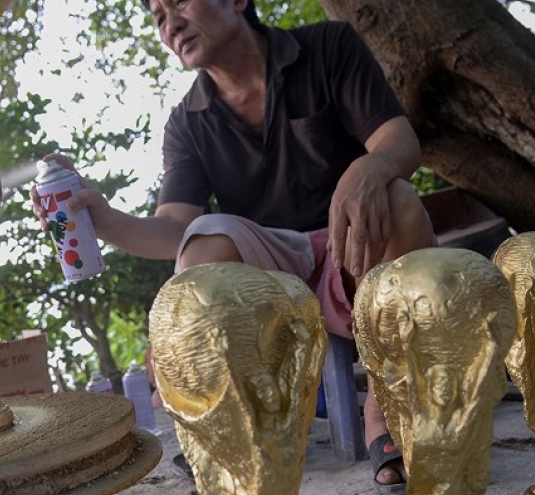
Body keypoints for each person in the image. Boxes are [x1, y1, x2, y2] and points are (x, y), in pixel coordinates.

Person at [31, 0, 434, 490]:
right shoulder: (187, 123)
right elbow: (175, 227)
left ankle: (386, 404)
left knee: (399, 199)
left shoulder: (329, 46)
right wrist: (103, 220)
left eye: (177, 2)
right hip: (271, 282)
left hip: (354, 252)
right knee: (202, 246)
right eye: (157, 16)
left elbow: (398, 140)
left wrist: (370, 166)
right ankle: (239, 431)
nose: (170, 22)